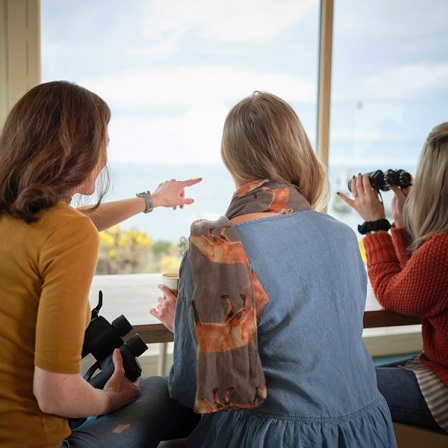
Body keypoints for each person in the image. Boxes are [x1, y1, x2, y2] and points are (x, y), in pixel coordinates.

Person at [152, 91, 397, 447]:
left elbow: (191, 389)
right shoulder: (343, 236)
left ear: (231, 160)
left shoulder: (217, 246)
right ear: (298, 152)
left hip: (276, 436)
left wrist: (189, 327)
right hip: (368, 429)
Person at [0, 80, 199, 448]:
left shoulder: (19, 216)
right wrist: (112, 399)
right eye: (103, 144)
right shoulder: (68, 233)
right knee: (157, 389)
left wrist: (151, 200)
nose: (105, 158)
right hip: (32, 439)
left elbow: (71, 222)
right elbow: (55, 395)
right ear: (74, 149)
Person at [337, 122, 448, 434]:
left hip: (444, 384)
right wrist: (400, 225)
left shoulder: (442, 248)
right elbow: (419, 284)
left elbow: (392, 294)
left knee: (336, 384)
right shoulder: (439, 247)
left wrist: (375, 225)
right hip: (435, 365)